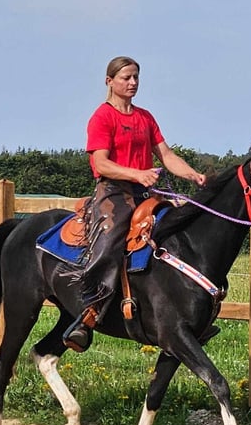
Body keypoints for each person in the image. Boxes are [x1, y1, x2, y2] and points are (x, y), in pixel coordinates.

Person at [63, 56, 207, 352]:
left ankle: (183, 311)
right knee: (111, 240)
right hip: (113, 192)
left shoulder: (145, 117)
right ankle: (89, 315)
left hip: (146, 192)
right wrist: (137, 174)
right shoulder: (102, 117)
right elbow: (101, 163)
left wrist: (194, 175)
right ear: (109, 82)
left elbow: (166, 155)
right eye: (126, 78)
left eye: (136, 78)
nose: (133, 83)